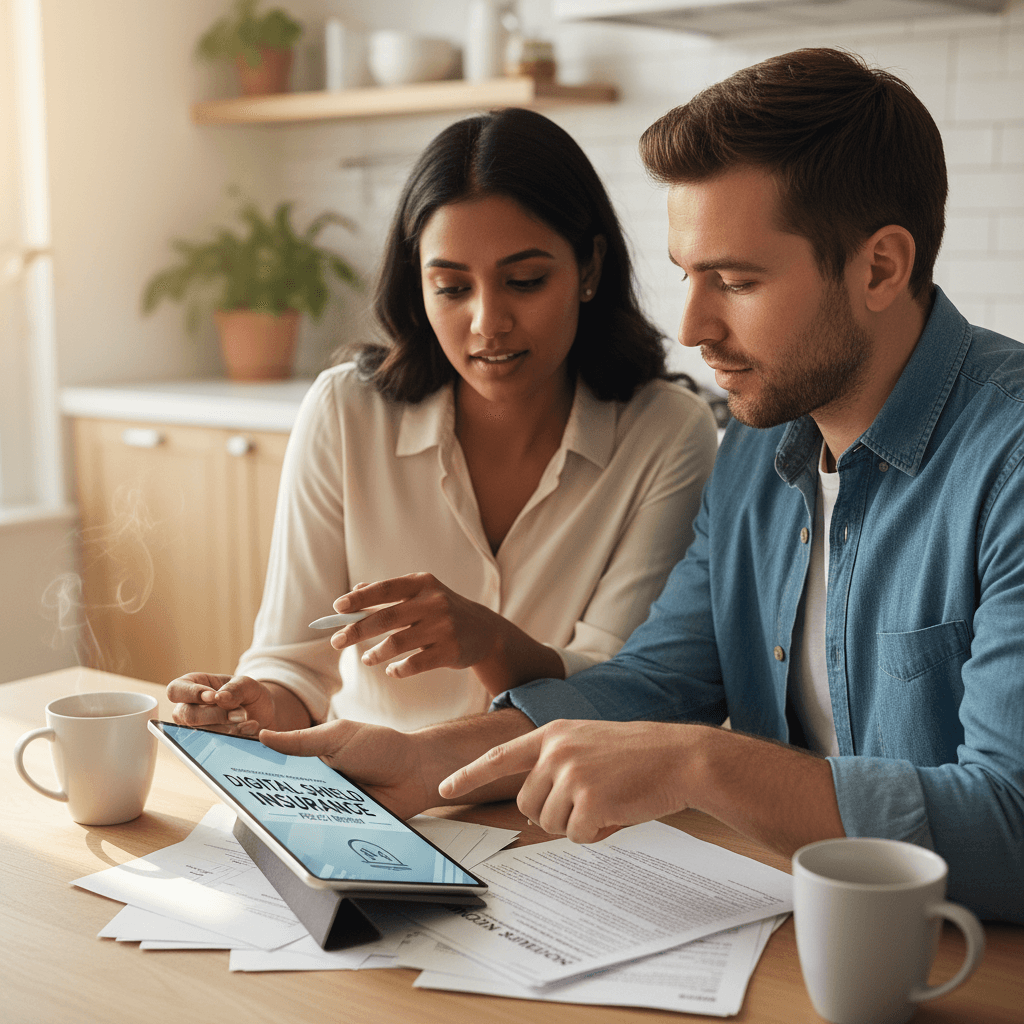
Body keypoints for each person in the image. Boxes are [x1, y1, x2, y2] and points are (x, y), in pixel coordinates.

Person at [258, 49, 1024, 924]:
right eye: (688, 274)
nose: (694, 326)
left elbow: (1010, 829)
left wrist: (701, 763)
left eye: (735, 281)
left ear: (881, 267)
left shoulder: (1010, 462)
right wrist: (433, 758)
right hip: (802, 933)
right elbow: (657, 682)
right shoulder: (757, 447)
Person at [166, 108, 718, 736]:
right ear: (418, 285)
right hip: (366, 802)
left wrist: (490, 643)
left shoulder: (667, 432)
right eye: (452, 289)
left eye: (525, 280)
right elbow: (294, 666)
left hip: (559, 809)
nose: (488, 322)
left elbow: (620, 690)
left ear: (588, 268)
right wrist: (254, 703)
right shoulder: (346, 413)